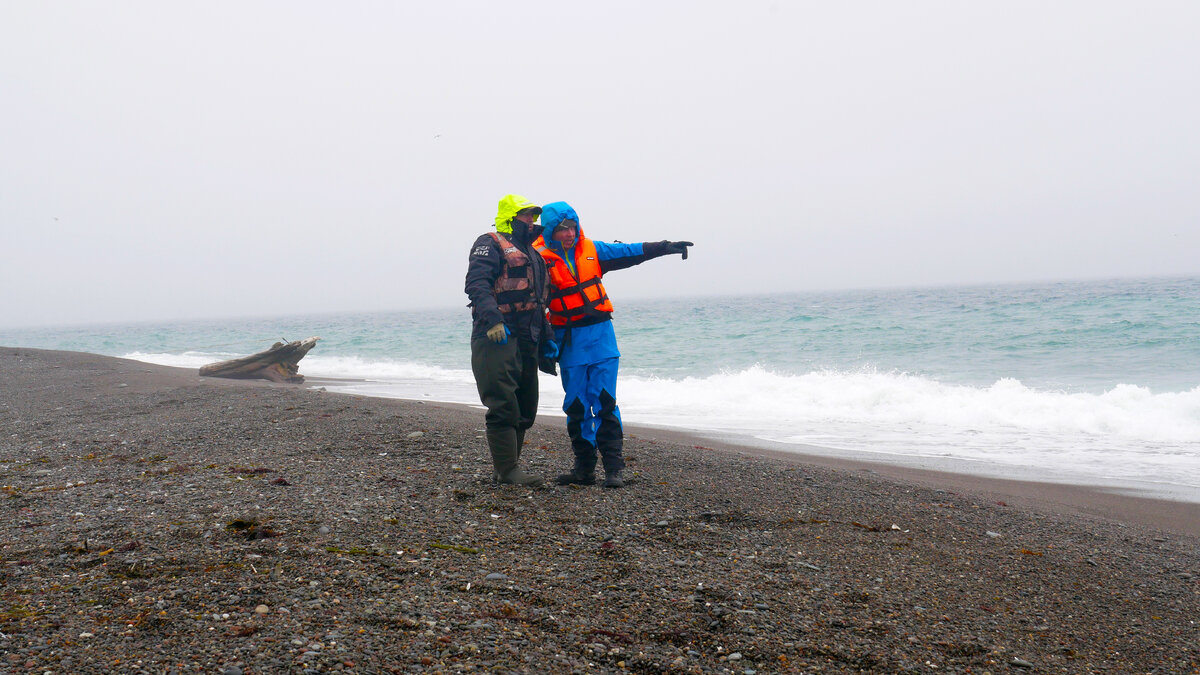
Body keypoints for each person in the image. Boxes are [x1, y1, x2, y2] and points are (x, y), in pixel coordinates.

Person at [533, 201, 692, 488]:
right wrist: (541, 344)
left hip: (602, 339)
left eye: (572, 227)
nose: (569, 233)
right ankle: (584, 469)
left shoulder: (593, 250)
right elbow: (530, 303)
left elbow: (630, 251)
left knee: (605, 401)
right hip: (569, 342)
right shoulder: (538, 258)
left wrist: (666, 246)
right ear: (550, 231)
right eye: (561, 229)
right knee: (577, 405)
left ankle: (614, 469)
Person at [464, 194, 559, 486]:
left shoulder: (532, 251)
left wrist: (547, 337)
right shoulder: (489, 243)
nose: (531, 220)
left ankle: (507, 467)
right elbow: (476, 284)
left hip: (527, 336)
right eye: (526, 215)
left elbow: (537, 299)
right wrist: (493, 320)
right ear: (511, 216)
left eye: (533, 215)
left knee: (525, 404)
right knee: (503, 402)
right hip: (496, 336)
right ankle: (507, 471)